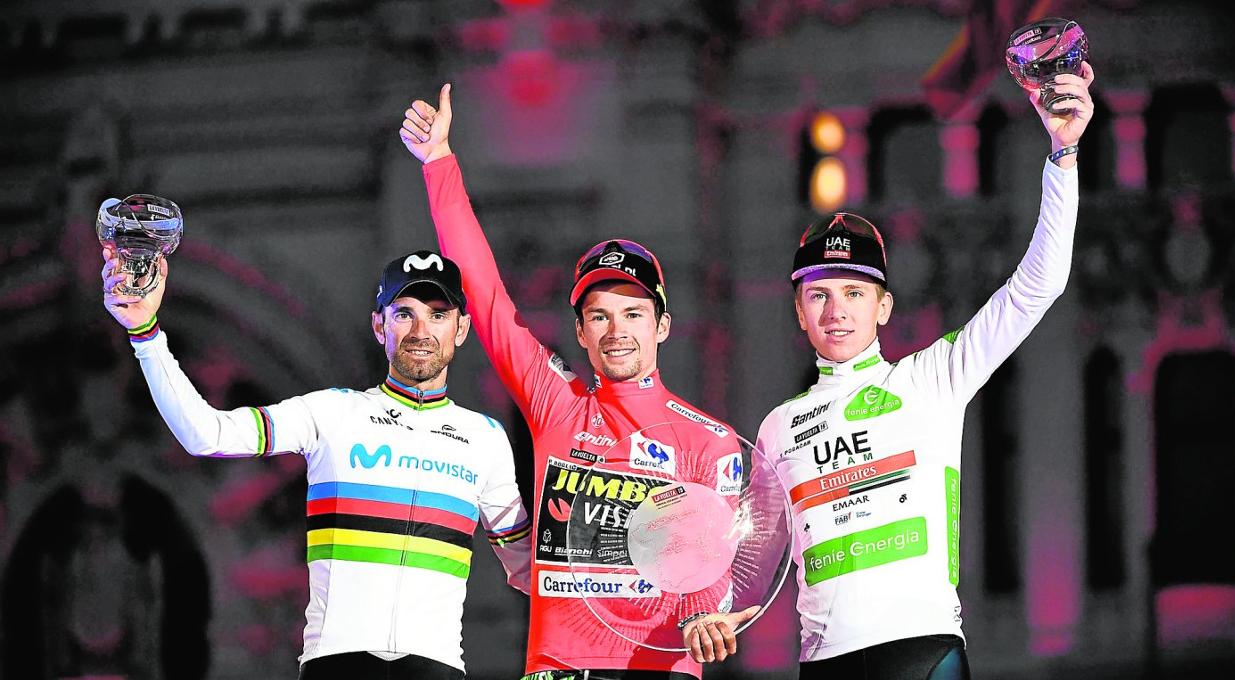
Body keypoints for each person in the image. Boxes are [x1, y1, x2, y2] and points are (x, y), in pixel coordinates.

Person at [399, 85, 757, 679]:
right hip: (557, 668)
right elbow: (484, 295)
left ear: (663, 326)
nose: (617, 331)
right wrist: (439, 162)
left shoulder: (710, 440)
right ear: (580, 334)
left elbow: (711, 570)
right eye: (599, 316)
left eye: (633, 313)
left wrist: (705, 618)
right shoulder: (557, 404)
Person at [756, 63, 1096, 679]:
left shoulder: (932, 378)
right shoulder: (777, 427)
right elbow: (751, 558)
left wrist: (1063, 154)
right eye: (818, 296)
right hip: (823, 664)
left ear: (884, 307)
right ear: (799, 312)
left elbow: (1038, 286)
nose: (836, 312)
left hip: (924, 652)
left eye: (854, 294)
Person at [101, 246, 532, 679]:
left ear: (462, 328)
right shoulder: (331, 413)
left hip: (436, 669)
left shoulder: (485, 439)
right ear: (379, 325)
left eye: (438, 314)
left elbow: (528, 568)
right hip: (337, 666)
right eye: (404, 313)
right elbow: (206, 434)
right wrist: (146, 335)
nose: (421, 330)